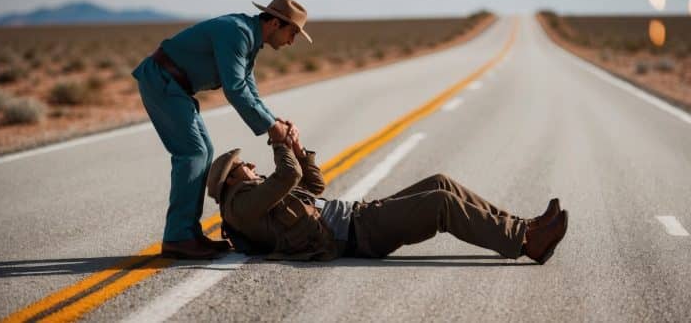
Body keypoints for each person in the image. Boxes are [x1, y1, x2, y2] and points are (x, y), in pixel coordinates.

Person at [205, 131, 569, 264]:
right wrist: (279, 143)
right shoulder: (240, 206)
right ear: (230, 179)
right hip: (355, 235)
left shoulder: (253, 196)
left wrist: (299, 150)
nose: (249, 163)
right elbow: (289, 176)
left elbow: (313, 186)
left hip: (358, 216)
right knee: (439, 204)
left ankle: (522, 226)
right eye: (241, 164)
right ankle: (525, 243)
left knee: (440, 181)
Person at [133, 0, 311, 259]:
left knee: (202, 151)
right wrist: (272, 129)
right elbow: (235, 89)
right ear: (274, 23)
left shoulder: (249, 40)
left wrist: (275, 121)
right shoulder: (237, 33)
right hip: (162, 81)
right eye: (292, 32)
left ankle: (187, 234)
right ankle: (178, 238)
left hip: (175, 87)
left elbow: (249, 89)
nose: (292, 41)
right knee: (192, 153)